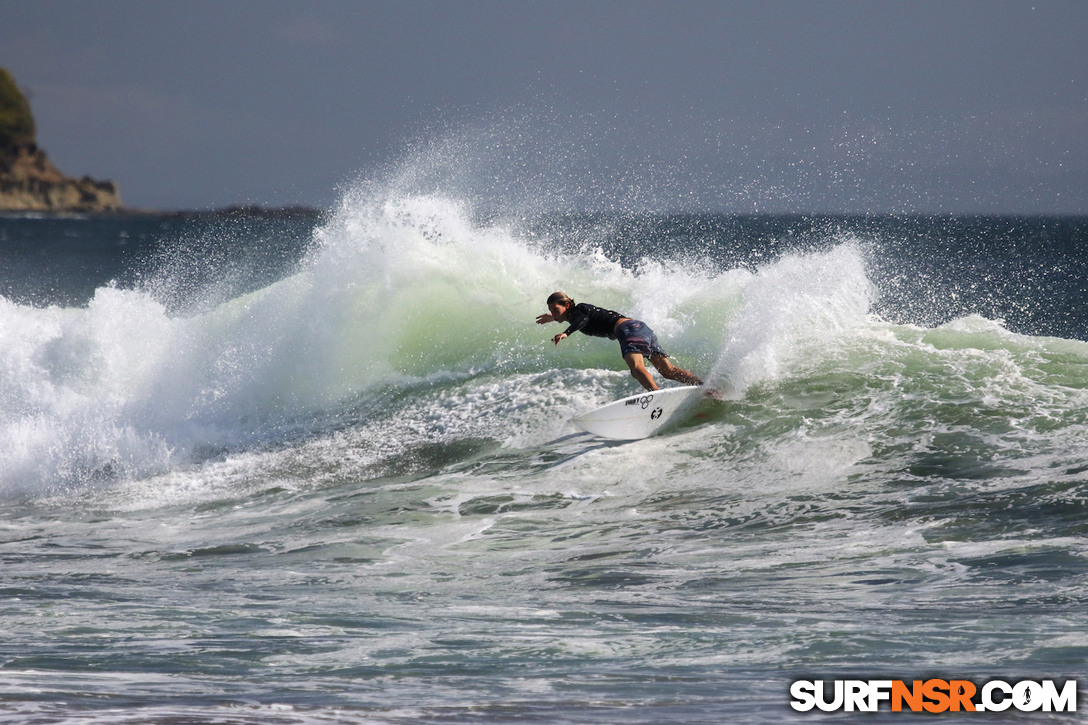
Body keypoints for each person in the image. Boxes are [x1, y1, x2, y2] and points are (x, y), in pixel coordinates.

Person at [536, 291, 703, 391]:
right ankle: (703, 386)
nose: (553, 312)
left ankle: (656, 396)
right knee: (667, 371)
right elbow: (574, 318)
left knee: (636, 368)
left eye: (555, 309)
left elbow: (582, 321)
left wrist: (566, 333)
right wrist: (553, 318)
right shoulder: (574, 313)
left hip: (627, 330)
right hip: (640, 327)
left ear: (566, 305)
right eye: (550, 310)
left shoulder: (579, 310)